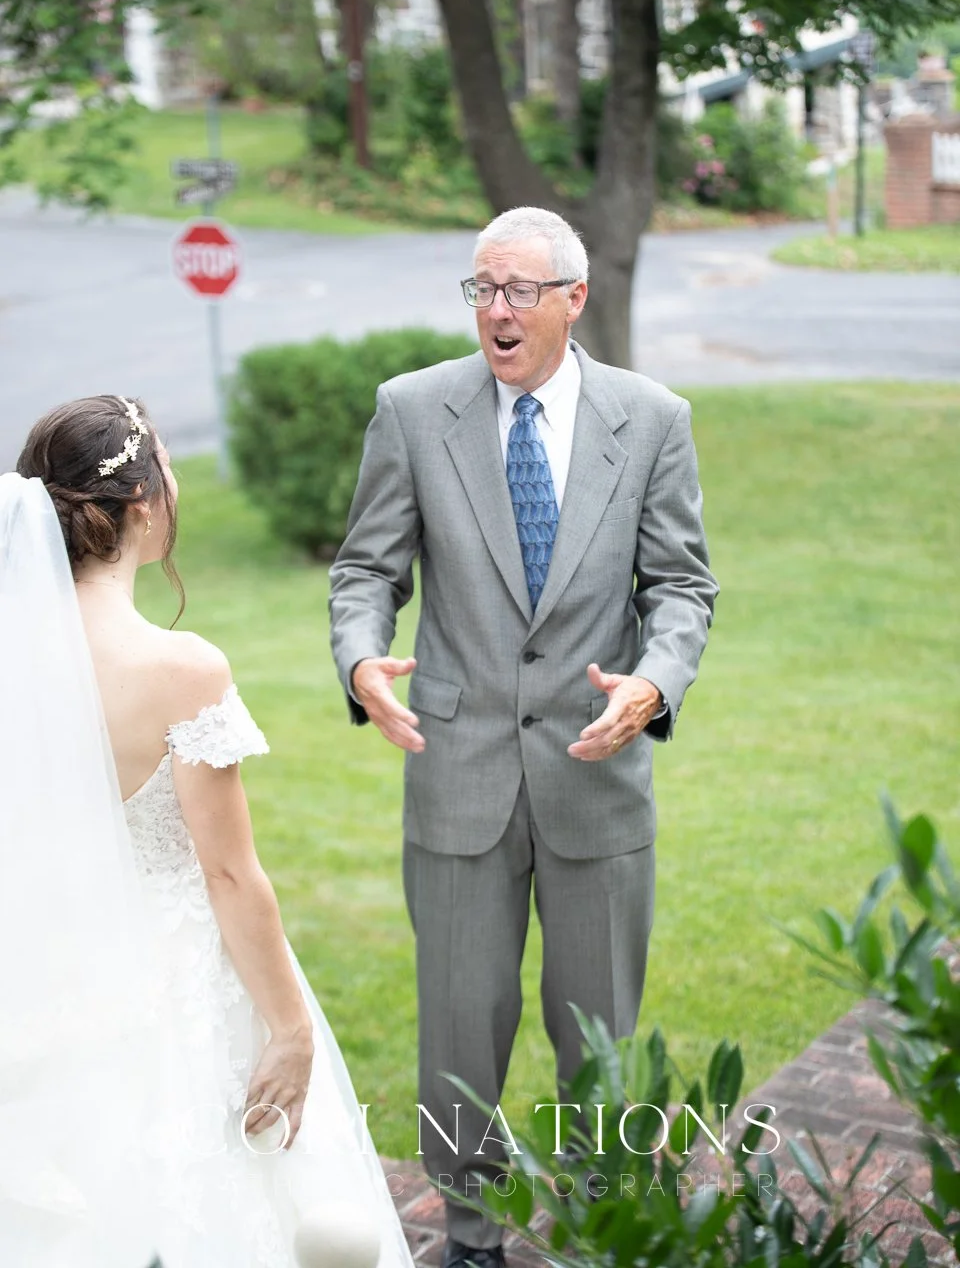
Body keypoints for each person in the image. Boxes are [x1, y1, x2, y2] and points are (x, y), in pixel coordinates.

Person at [329, 206, 719, 1268]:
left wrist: (653, 680)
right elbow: (367, 570)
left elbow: (681, 587)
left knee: (598, 1034)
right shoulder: (413, 412)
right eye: (481, 290)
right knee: (461, 1028)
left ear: (571, 300)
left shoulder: (653, 419)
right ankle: (467, 1236)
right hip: (457, 776)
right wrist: (362, 659)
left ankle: (603, 1227)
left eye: (518, 292)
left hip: (600, 780)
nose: (496, 312)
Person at [1, 395, 414, 1268]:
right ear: (146, 503)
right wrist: (290, 1029)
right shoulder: (181, 669)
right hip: (177, 975)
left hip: (43, 969)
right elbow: (230, 876)